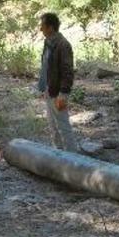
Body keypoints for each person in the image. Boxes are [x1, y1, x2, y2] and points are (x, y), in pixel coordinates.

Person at [37, 12, 79, 153]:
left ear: (50, 27)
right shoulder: (48, 42)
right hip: (49, 89)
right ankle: (58, 154)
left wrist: (63, 93)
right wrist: (43, 87)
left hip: (59, 92)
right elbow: (46, 67)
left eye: (42, 26)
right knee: (52, 126)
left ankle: (73, 157)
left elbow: (68, 71)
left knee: (63, 126)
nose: (40, 29)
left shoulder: (63, 45)